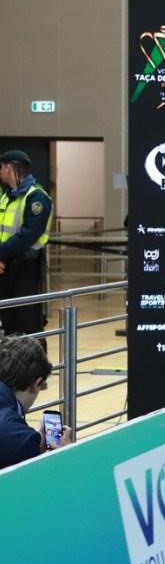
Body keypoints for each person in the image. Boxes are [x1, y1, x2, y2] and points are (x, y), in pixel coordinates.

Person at [0, 150, 53, 342]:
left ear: (10, 167)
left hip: (26, 268)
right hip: (5, 268)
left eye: (1, 167)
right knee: (9, 324)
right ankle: (13, 362)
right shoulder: (6, 197)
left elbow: (28, 235)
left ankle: (37, 362)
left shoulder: (37, 198)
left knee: (29, 323)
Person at [0, 335, 70, 470]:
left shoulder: (23, 438)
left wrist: (34, 443)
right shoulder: (23, 440)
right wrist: (65, 455)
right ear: (37, 383)